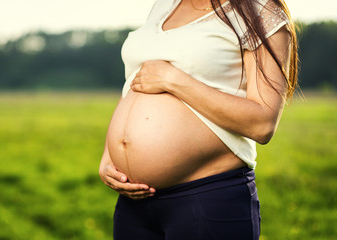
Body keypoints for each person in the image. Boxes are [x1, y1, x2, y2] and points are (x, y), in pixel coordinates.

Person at [99, 0, 298, 239]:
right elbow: (136, 81)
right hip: (134, 205)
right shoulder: (165, 5)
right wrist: (109, 157)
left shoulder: (260, 11)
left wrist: (174, 80)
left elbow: (263, 123)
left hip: (208, 197)